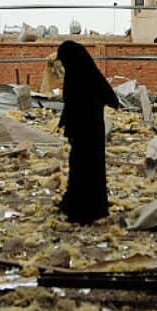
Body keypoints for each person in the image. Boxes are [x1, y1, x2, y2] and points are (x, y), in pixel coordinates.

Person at [55, 41, 119, 224]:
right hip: (86, 129)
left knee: (85, 168)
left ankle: (85, 211)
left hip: (88, 130)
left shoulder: (82, 75)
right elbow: (71, 103)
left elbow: (111, 98)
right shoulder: (83, 72)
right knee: (81, 167)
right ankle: (75, 204)